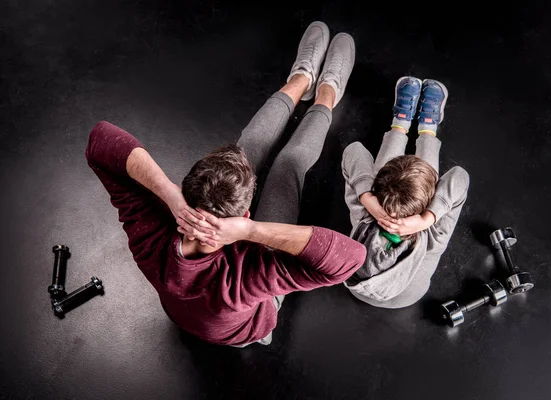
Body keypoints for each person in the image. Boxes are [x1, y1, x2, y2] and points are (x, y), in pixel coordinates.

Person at [86, 21, 366, 347]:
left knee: (247, 146)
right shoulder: (247, 277)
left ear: (185, 190)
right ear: (245, 215)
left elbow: (99, 139)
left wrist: (169, 195)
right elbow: (351, 258)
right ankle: (327, 94)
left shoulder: (149, 237)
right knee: (287, 168)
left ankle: (299, 80)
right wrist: (250, 233)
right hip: (245, 325)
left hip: (183, 308)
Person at [341, 77, 470, 309]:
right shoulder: (433, 235)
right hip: (409, 297)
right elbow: (460, 177)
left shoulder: (365, 215)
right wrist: (426, 218)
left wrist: (367, 198)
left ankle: (400, 122)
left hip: (358, 288)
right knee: (420, 182)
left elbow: (354, 151)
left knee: (396, 182)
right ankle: (427, 129)